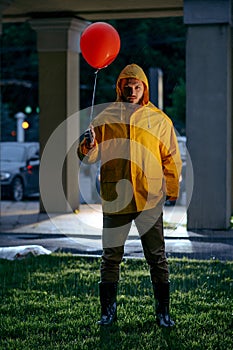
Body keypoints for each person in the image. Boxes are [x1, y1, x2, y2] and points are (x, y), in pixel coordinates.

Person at [77, 64, 182, 327]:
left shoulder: (159, 120)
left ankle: (163, 313)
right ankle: (107, 313)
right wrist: (87, 145)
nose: (131, 90)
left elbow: (170, 157)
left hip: (150, 197)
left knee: (157, 257)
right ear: (119, 87)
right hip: (116, 196)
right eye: (127, 86)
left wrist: (171, 189)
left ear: (144, 88)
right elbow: (90, 157)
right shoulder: (104, 117)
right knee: (111, 256)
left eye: (137, 87)